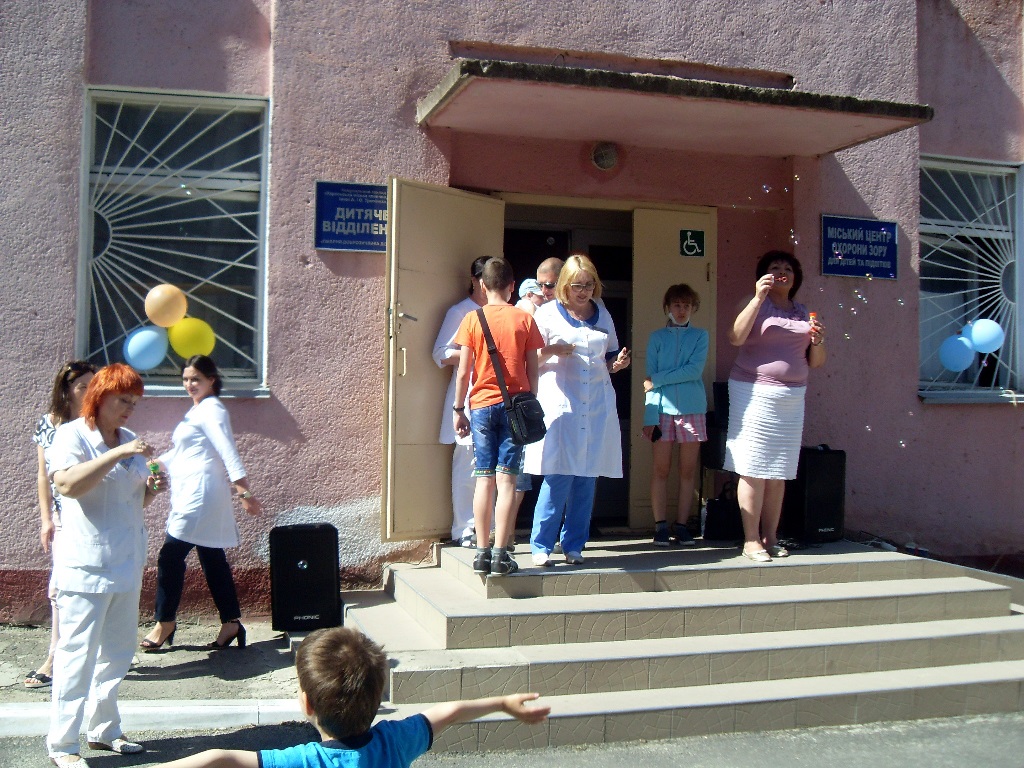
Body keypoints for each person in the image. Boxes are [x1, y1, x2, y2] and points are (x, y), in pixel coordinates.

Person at [150, 626, 550, 768]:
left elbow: (219, 758)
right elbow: (451, 712)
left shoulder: (303, 761)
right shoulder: (395, 742)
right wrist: (502, 704)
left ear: (307, 704)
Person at [46, 363, 167, 767]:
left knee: (117, 652)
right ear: (99, 397)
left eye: (134, 402)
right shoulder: (72, 436)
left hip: (126, 562)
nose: (130, 409)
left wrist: (153, 489)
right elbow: (68, 485)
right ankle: (63, 745)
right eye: (123, 400)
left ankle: (104, 729)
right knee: (76, 656)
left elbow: (133, 502)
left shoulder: (128, 439)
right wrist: (116, 454)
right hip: (85, 567)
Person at [140, 355, 262, 652]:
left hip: (200, 497)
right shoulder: (197, 410)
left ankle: (165, 621)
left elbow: (228, 450)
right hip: (193, 493)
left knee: (170, 556)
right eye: (186, 379)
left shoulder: (212, 409)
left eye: (196, 379)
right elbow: (183, 452)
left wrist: (244, 493)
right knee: (212, 557)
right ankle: (231, 622)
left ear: (211, 380)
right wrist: (154, 465)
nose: (189, 384)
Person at [525, 254, 631, 566]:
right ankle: (541, 545)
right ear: (564, 286)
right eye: (577, 286)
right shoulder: (546, 314)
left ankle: (574, 545)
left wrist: (618, 364)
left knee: (586, 477)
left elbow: (608, 359)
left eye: (588, 285)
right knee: (558, 476)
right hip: (561, 403)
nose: (583, 292)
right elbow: (529, 360)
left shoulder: (603, 313)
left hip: (595, 404)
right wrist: (551, 350)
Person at [725, 250, 826, 562]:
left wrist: (818, 342)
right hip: (754, 392)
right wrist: (758, 297)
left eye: (788, 268)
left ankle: (771, 537)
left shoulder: (802, 311)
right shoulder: (754, 302)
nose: (782, 272)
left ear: (795, 277)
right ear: (763, 274)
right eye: (775, 267)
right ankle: (751, 540)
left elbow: (816, 362)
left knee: (779, 471)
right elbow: (735, 337)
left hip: (792, 398)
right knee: (753, 467)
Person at [453, 258, 543, 576]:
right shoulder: (524, 318)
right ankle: (500, 554)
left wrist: (458, 409)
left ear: (482, 284)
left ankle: (481, 552)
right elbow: (533, 369)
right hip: (514, 406)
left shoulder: (472, 319)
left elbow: (463, 372)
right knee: (507, 480)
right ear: (512, 287)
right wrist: (531, 402)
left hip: (480, 407)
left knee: (483, 478)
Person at [26, 361, 98, 691]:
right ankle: (56, 656)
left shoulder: (96, 423)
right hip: (63, 516)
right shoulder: (50, 423)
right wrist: (46, 520)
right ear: (67, 390)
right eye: (83, 386)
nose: (90, 392)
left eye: (93, 385)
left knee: (87, 586)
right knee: (59, 589)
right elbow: (43, 475)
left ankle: (85, 654)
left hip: (92, 514)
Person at [642, 284, 708, 548]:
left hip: (693, 409)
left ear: (693, 308)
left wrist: (657, 380)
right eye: (677, 305)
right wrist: (650, 416)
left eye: (686, 306)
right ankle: (660, 526)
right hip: (662, 411)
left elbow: (693, 371)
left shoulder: (701, 335)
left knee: (687, 471)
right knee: (661, 469)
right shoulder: (657, 337)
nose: (682, 310)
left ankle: (681, 525)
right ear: (668, 307)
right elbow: (648, 380)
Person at [432, 257, 489, 548]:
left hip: (496, 398)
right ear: (475, 280)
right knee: (467, 465)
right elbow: (441, 353)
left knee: (494, 469)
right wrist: (476, 353)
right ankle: (464, 528)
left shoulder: (503, 312)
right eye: (485, 279)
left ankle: (489, 529)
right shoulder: (461, 311)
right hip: (467, 397)